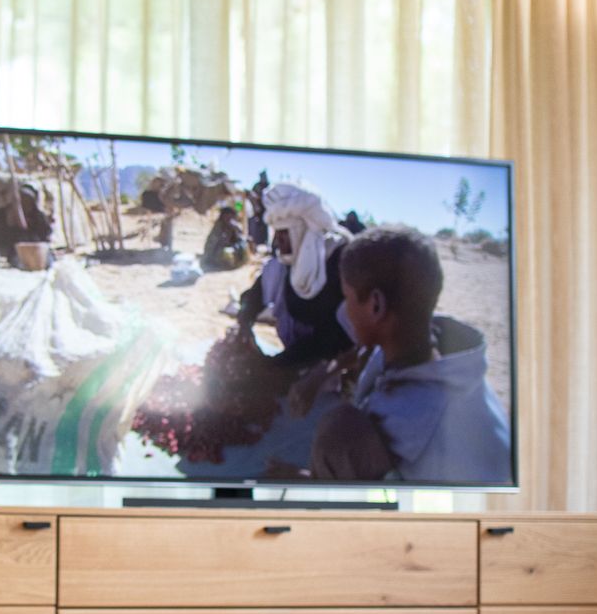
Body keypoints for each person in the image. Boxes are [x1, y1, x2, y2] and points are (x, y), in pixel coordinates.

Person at [300, 224, 510, 484]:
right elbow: (365, 352)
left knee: (339, 431)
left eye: (348, 297)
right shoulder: (426, 346)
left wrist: (310, 480)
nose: (345, 309)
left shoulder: (408, 430)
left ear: (376, 305)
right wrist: (324, 373)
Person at [231, 181, 359, 365]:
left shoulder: (339, 262)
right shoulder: (282, 264)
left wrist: (282, 364)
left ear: (302, 230)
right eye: (276, 233)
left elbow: (337, 335)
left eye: (283, 233)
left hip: (332, 367)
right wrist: (244, 325)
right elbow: (253, 297)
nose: (277, 241)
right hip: (293, 359)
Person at [201, 202, 248, 271]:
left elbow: (238, 238)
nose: (229, 218)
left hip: (230, 248)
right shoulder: (218, 228)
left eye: (231, 216)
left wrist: (235, 230)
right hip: (217, 252)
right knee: (227, 252)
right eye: (227, 216)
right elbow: (212, 245)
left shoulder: (233, 226)